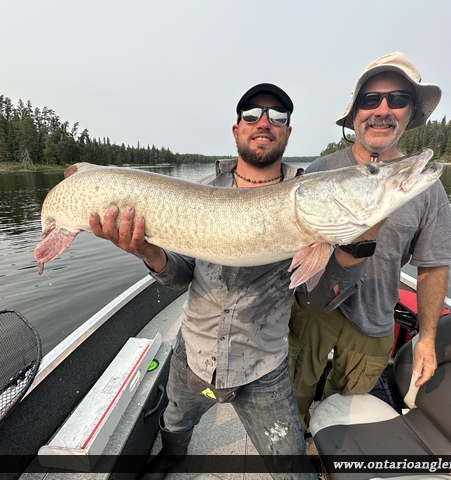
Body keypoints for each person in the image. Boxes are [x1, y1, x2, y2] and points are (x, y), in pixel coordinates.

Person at [89, 83, 376, 479]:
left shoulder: (307, 194)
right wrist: (147, 252)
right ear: (236, 128)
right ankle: (174, 454)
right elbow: (180, 275)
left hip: (262, 366)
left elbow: (324, 296)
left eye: (278, 117)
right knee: (176, 416)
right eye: (252, 115)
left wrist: (359, 239)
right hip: (196, 352)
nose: (265, 123)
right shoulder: (202, 190)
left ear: (288, 133)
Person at [288, 52, 451, 431]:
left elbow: (433, 266)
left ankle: (328, 448)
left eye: (397, 99)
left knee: (346, 412)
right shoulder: (320, 171)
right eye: (371, 100)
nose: (383, 109)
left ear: (411, 112)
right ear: (355, 114)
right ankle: (296, 439)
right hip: (316, 311)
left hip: (376, 319)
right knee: (295, 390)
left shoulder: (426, 189)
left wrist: (427, 338)